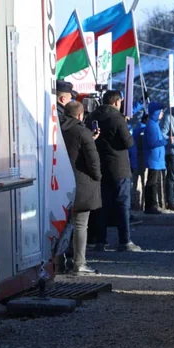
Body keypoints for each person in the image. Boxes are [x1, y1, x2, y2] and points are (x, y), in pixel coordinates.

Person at [88, 90, 141, 252]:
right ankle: (124, 240)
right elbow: (128, 143)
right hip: (119, 168)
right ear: (116, 102)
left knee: (102, 204)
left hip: (100, 166)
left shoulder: (92, 116)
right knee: (122, 204)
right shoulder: (117, 118)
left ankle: (100, 241)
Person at [60, 101, 102, 274]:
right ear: (80, 115)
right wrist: (98, 177)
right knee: (80, 225)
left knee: (62, 225)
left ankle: (59, 262)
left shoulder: (59, 129)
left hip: (60, 182)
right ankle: (79, 263)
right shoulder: (82, 131)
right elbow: (93, 160)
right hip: (81, 183)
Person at [143, 102, 167, 215]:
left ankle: (153, 204)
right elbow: (153, 142)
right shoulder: (152, 125)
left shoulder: (154, 124)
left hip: (157, 159)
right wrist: (165, 141)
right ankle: (150, 205)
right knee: (152, 182)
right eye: (161, 111)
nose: (162, 114)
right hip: (154, 159)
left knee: (154, 182)